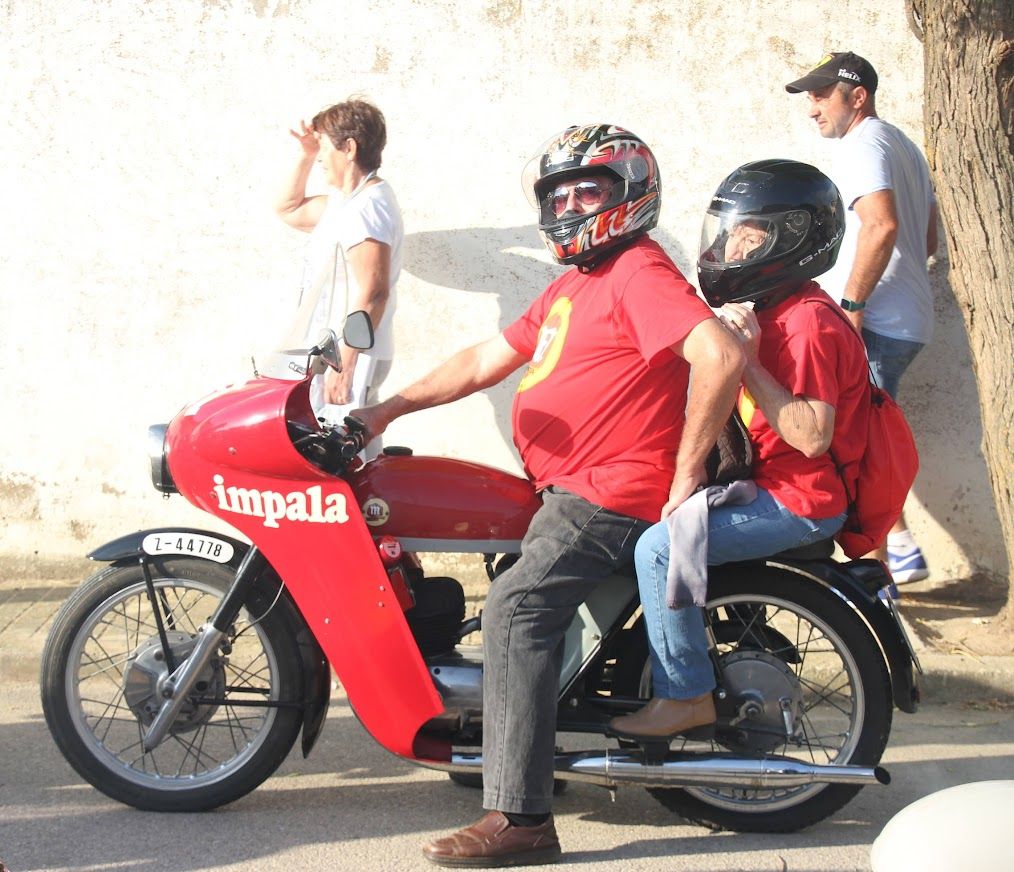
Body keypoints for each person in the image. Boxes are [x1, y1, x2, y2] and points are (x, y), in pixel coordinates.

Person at [351, 123, 745, 868]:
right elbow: (485, 359)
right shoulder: (575, 284)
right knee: (510, 591)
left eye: (586, 191)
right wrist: (386, 411)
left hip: (609, 492)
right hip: (568, 488)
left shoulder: (637, 271)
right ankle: (508, 741)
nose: (568, 207)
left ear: (630, 193)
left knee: (515, 608)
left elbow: (719, 354)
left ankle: (521, 819)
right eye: (557, 196)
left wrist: (687, 471)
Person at [609, 159, 871, 743]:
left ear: (791, 241)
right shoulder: (772, 312)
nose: (731, 247)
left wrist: (746, 361)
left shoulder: (806, 324)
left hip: (801, 500)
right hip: (769, 486)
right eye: (730, 233)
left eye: (750, 237)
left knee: (660, 549)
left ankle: (685, 696)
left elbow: (812, 435)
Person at [786, 52, 938, 584]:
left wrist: (851, 305)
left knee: (858, 452)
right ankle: (899, 549)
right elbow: (928, 240)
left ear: (858, 96)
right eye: (809, 97)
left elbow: (881, 226)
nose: (812, 108)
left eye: (821, 95)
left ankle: (882, 576)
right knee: (868, 439)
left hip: (874, 322)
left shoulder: (864, 143)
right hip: (906, 318)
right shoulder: (902, 145)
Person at [274, 97, 403, 459]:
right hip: (336, 351)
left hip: (352, 354)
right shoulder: (345, 202)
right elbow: (288, 208)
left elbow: (374, 292)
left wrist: (344, 366)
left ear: (349, 148)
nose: (320, 158)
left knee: (344, 455)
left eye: (324, 147)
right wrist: (305, 155)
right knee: (345, 451)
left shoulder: (368, 207)